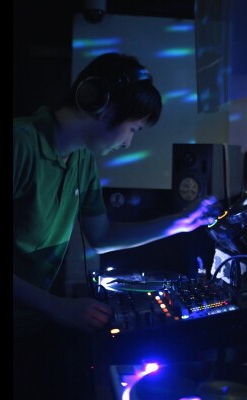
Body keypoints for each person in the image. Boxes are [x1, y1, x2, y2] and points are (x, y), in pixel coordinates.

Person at [13, 52, 221, 400]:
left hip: (30, 324)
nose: (128, 143)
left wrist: (179, 223)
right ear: (98, 102)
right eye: (133, 129)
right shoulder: (21, 144)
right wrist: (55, 306)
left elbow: (102, 235)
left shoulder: (82, 159)